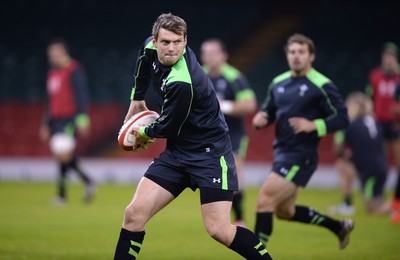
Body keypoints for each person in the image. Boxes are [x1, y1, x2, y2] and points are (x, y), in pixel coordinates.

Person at [113, 13, 272, 259]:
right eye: (165, 42)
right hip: (178, 154)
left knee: (219, 229)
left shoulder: (182, 81)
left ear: (186, 41)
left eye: (178, 41)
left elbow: (168, 127)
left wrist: (143, 132)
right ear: (154, 41)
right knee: (134, 214)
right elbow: (143, 64)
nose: (172, 48)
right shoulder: (148, 47)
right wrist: (137, 98)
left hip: (210, 155)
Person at [252, 33, 354, 250]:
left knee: (264, 201)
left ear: (311, 56)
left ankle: (256, 255)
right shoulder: (278, 83)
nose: (296, 56)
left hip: (302, 155)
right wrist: (261, 119)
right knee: (284, 212)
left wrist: (314, 125)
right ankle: (339, 226)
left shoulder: (322, 84)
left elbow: (343, 117)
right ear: (287, 55)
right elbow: (268, 112)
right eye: (292, 52)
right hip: (282, 151)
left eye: (301, 52)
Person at [200, 38, 257, 227]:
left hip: (233, 134)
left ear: (224, 55)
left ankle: (239, 218)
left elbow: (250, 105)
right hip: (208, 135)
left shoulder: (234, 77)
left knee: (234, 173)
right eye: (205, 53)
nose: (208, 57)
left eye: (212, 53)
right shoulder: (199, 76)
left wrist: (223, 106)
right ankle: (219, 219)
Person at [39, 38, 95, 205]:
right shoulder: (52, 74)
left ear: (63, 53)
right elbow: (50, 101)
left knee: (62, 154)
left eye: (55, 53)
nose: (53, 57)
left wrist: (82, 117)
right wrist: (45, 123)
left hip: (69, 118)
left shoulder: (73, 69)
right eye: (51, 54)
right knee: (61, 156)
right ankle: (86, 182)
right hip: (55, 120)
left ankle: (63, 195)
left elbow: (81, 94)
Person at [336, 92, 391, 214]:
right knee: (376, 201)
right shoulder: (375, 123)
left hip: (368, 171)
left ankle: (347, 204)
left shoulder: (350, 125)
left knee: (373, 209)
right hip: (381, 167)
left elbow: (338, 150)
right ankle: (389, 204)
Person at [366, 42, 400, 223]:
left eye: (392, 56)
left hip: (396, 125)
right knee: (381, 165)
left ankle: (395, 201)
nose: (389, 59)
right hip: (380, 124)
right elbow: (370, 96)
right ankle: (379, 199)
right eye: (386, 56)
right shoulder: (375, 75)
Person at [328, 130, 357, 216]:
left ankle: (347, 205)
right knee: (349, 182)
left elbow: (338, 146)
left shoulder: (342, 129)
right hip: (358, 157)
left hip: (346, 159)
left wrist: (341, 155)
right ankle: (347, 204)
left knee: (345, 181)